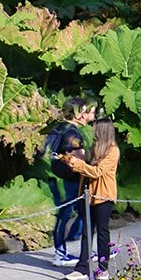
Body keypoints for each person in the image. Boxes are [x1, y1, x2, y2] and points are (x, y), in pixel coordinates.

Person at [62, 117, 121, 280]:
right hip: (87, 196)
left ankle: (103, 269)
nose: (93, 131)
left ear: (102, 130)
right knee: (87, 232)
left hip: (103, 196)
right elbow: (85, 167)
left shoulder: (113, 151)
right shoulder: (94, 148)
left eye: (95, 128)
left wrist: (77, 163)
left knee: (102, 232)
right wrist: (72, 159)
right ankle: (82, 268)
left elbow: (97, 172)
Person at [45, 98, 96, 267]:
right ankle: (65, 253)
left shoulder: (59, 127)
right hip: (69, 179)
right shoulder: (73, 134)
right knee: (78, 213)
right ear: (79, 113)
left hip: (56, 177)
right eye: (88, 111)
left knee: (63, 215)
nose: (90, 115)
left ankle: (62, 251)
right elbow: (79, 158)